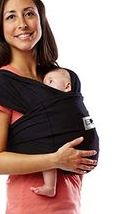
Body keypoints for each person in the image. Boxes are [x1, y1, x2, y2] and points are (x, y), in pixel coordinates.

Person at [0, 0, 98, 214]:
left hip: (70, 204)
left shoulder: (57, 78)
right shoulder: (2, 86)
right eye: (11, 17)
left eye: (29, 13)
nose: (22, 24)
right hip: (30, 207)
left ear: (41, 19)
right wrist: (55, 160)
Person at [30, 67, 72, 197]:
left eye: (50, 81)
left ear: (67, 87)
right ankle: (50, 186)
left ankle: (49, 186)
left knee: (46, 149)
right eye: (44, 83)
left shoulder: (67, 102)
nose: (45, 86)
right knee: (48, 153)